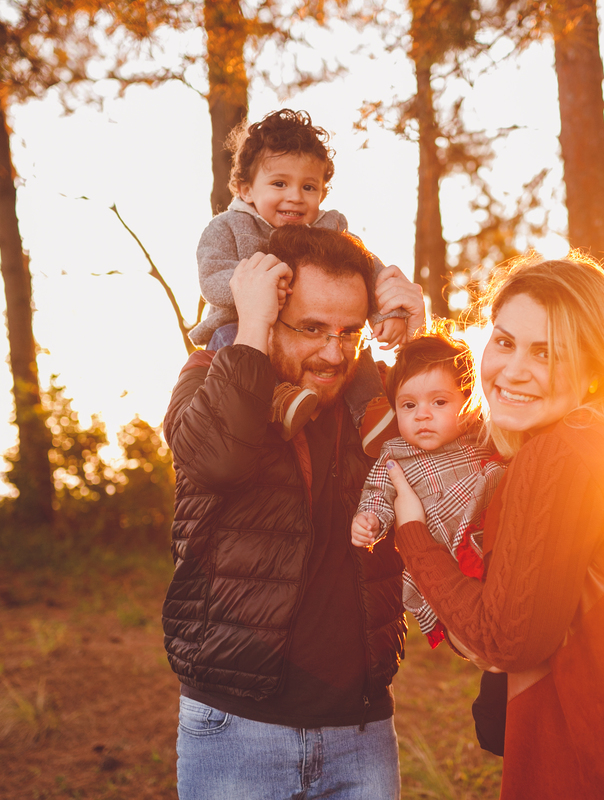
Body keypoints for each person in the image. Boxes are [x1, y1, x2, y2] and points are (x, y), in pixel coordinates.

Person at [388, 254, 604, 799]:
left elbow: (503, 642)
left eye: (547, 352)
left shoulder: (559, 455)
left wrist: (412, 533)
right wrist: (417, 341)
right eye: (504, 341)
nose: (511, 370)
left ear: (596, 368)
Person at [162, 224, 424, 800]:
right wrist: (250, 327)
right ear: (270, 309)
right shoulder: (208, 378)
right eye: (311, 329)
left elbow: (452, 472)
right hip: (237, 729)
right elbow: (219, 460)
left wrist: (415, 346)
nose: (334, 353)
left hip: (361, 730)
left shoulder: (373, 404)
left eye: (349, 332)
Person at [190, 108, 406, 454]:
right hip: (239, 321)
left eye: (309, 186)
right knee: (229, 339)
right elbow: (212, 276)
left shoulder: (330, 228)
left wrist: (386, 312)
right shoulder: (228, 228)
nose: (295, 196)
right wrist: (253, 290)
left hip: (312, 340)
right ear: (246, 189)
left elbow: (369, 270)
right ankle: (277, 401)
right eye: (280, 183)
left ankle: (370, 412)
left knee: (348, 344)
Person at [350, 328, 506, 644]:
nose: (422, 415)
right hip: (441, 558)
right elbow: (378, 492)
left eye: (438, 402)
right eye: (408, 405)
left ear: (470, 402)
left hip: (489, 547)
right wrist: (369, 519)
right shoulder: (395, 452)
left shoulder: (483, 437)